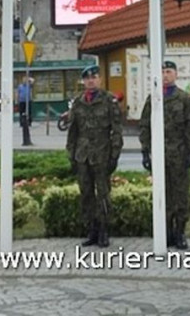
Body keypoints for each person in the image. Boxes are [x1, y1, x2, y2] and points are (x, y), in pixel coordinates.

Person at [139, 59, 190, 250]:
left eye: (169, 72)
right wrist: (145, 152)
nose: (165, 75)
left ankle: (180, 232)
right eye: (163, 72)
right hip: (159, 155)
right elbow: (145, 126)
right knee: (162, 195)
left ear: (175, 75)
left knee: (180, 194)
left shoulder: (184, 99)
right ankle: (165, 233)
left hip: (179, 154)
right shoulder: (154, 98)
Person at [66, 64, 123, 248]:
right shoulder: (78, 102)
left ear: (99, 79)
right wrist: (71, 156)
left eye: (94, 77)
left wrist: (114, 156)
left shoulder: (109, 101)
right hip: (82, 156)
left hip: (102, 155)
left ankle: (104, 230)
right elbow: (72, 132)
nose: (91, 81)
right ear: (83, 81)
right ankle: (92, 230)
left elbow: (116, 131)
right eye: (87, 78)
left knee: (103, 195)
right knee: (86, 195)